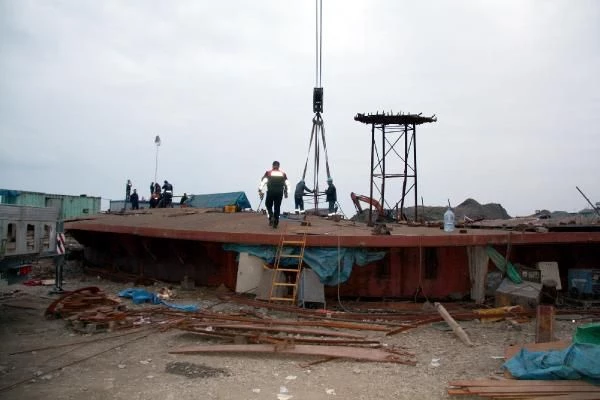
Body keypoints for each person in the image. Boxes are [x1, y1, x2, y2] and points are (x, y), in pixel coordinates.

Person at [258, 161, 290, 229]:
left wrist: (260, 190)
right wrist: (286, 192)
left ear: (272, 166)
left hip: (270, 192)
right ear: (279, 166)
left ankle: (271, 217)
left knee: (268, 205)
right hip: (279, 193)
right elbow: (286, 183)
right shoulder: (283, 174)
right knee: (277, 207)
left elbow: (263, 181)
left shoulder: (268, 173)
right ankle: (276, 222)